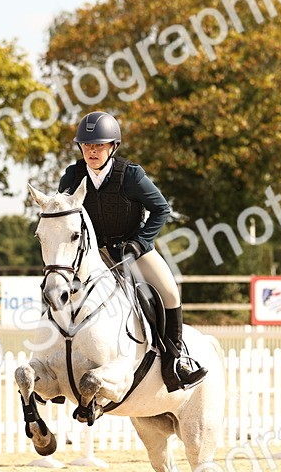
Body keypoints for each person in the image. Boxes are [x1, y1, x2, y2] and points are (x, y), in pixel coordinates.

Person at [57, 110, 207, 391]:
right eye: (87, 145)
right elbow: (63, 214)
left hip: (131, 249)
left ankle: (175, 362)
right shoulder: (73, 175)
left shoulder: (131, 175)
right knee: (57, 287)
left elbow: (161, 209)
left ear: (112, 147)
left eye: (99, 145)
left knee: (170, 292)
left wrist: (139, 242)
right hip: (90, 254)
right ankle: (56, 363)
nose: (92, 151)